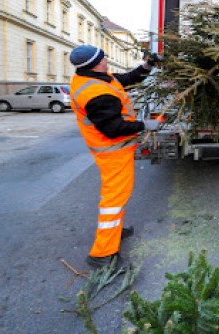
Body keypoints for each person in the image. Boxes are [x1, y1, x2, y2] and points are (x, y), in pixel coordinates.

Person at [68, 44, 161, 268]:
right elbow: (113, 128)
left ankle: (114, 232)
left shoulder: (94, 79)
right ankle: (102, 254)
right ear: (97, 62)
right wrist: (144, 124)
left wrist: (147, 65)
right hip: (113, 152)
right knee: (114, 200)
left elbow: (128, 79)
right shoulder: (96, 93)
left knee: (117, 198)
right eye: (104, 58)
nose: (107, 60)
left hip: (115, 150)